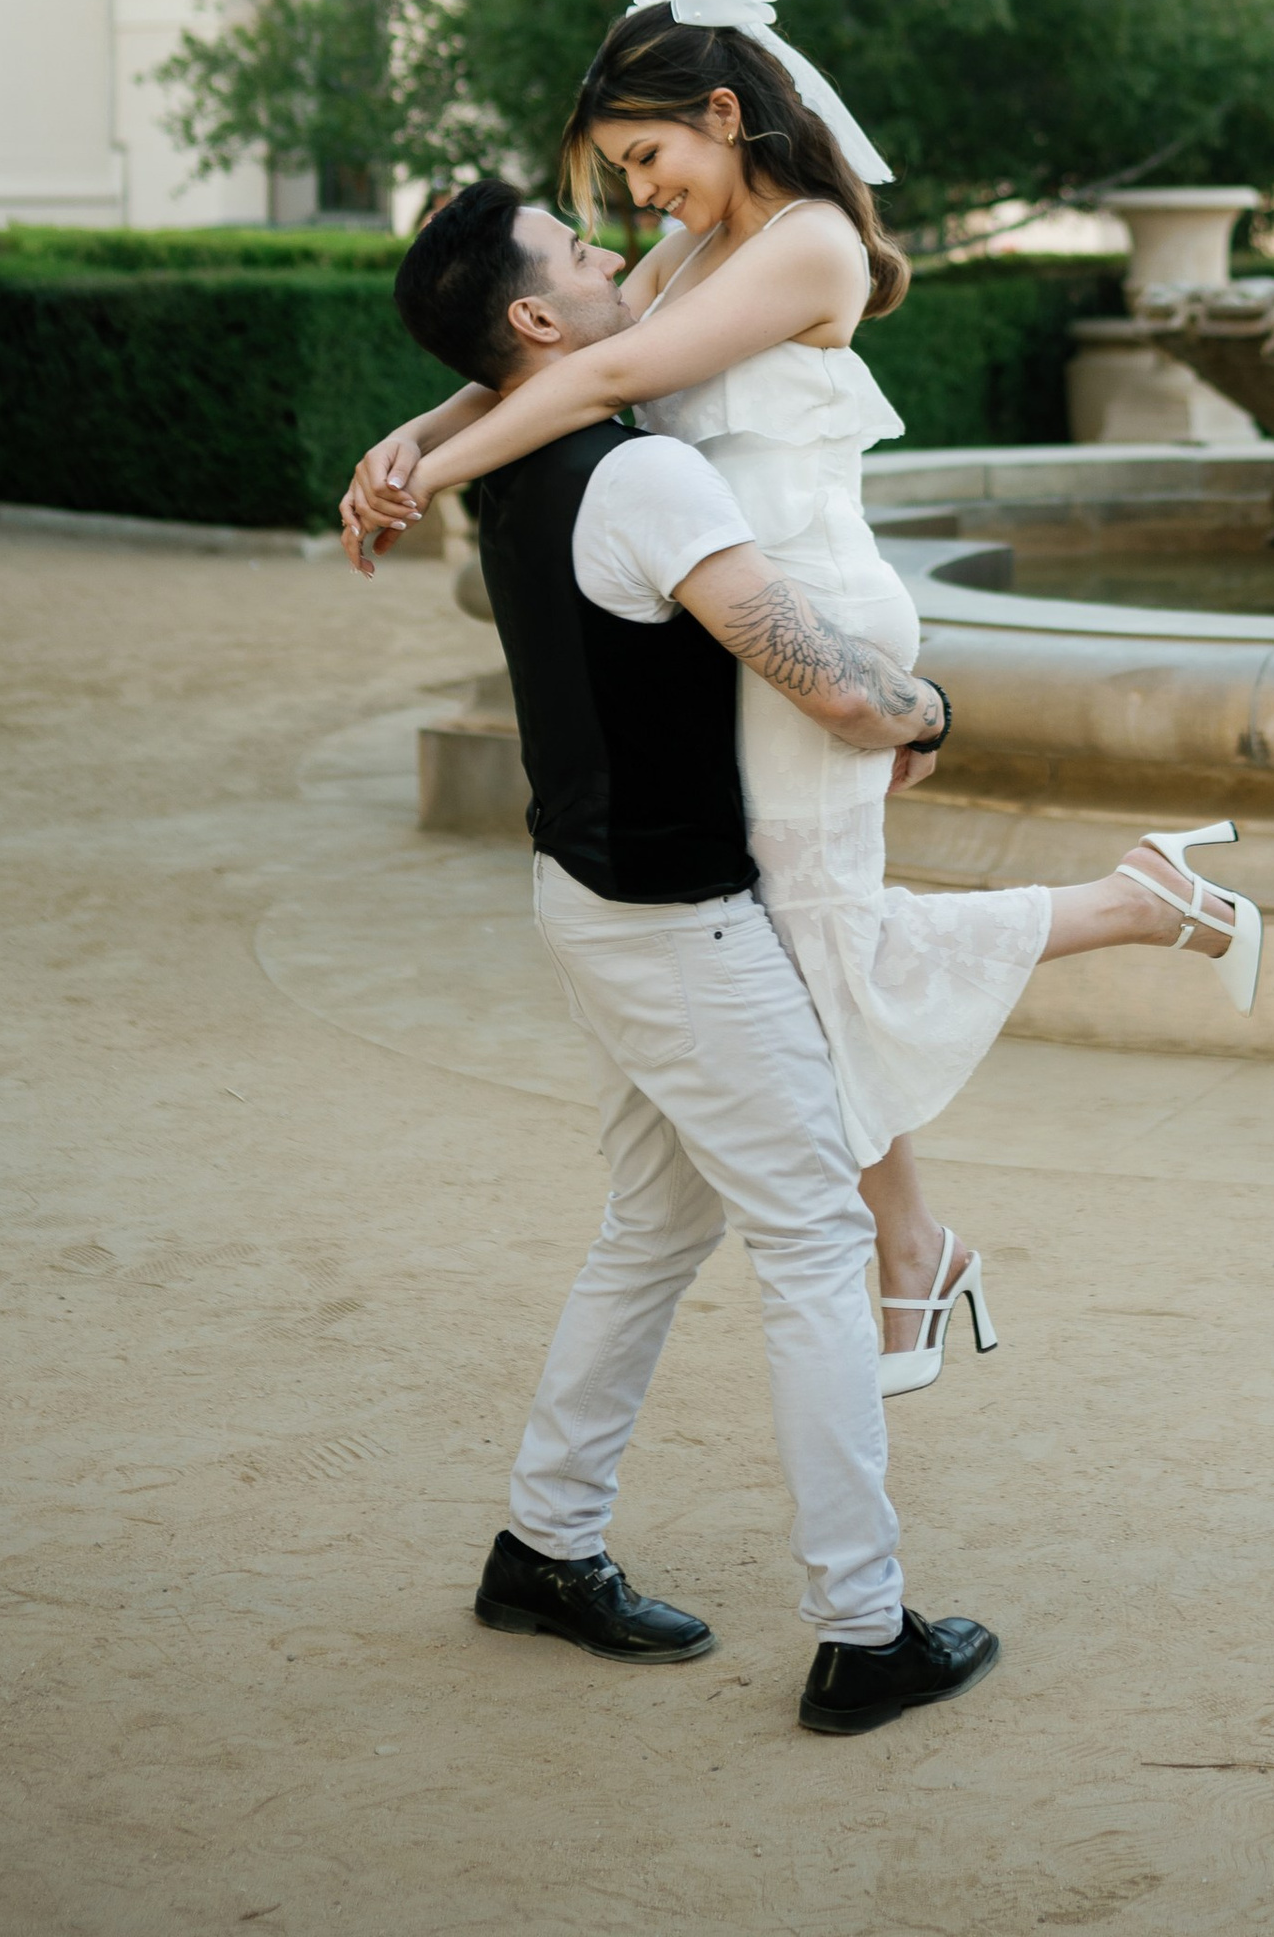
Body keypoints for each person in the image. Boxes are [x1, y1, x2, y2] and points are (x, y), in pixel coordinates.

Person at [346, 0, 1260, 1398]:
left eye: (650, 159)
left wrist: (424, 486)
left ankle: (1129, 916)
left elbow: (590, 383)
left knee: (819, 952)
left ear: (723, 115)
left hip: (807, 613)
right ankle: (923, 1237)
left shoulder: (810, 244)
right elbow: (540, 351)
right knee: (804, 953)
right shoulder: (701, 249)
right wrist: (398, 446)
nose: (642, 199)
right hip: (725, 609)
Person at [384, 176, 995, 1736]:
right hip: (678, 926)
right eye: (584, 254)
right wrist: (926, 712)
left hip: (589, 902)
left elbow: (613, 323)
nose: (622, 259)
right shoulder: (639, 479)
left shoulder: (506, 468)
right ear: (537, 320)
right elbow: (833, 690)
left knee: (654, 1230)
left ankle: (546, 1541)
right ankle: (867, 1631)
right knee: (812, 1243)